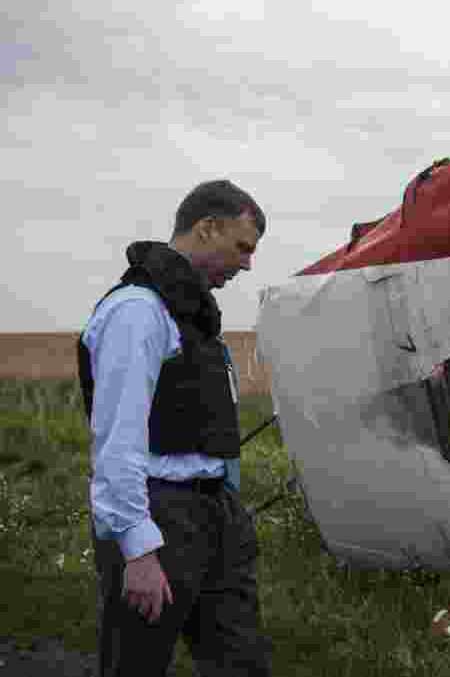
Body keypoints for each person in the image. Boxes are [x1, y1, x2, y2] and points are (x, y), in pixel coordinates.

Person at [77, 180, 272, 676]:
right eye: (242, 247)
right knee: (137, 664)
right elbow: (117, 440)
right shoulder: (138, 312)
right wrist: (137, 549)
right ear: (208, 227)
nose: (248, 263)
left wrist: (229, 511)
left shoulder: (195, 318)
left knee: (241, 662)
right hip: (158, 516)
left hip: (215, 518)